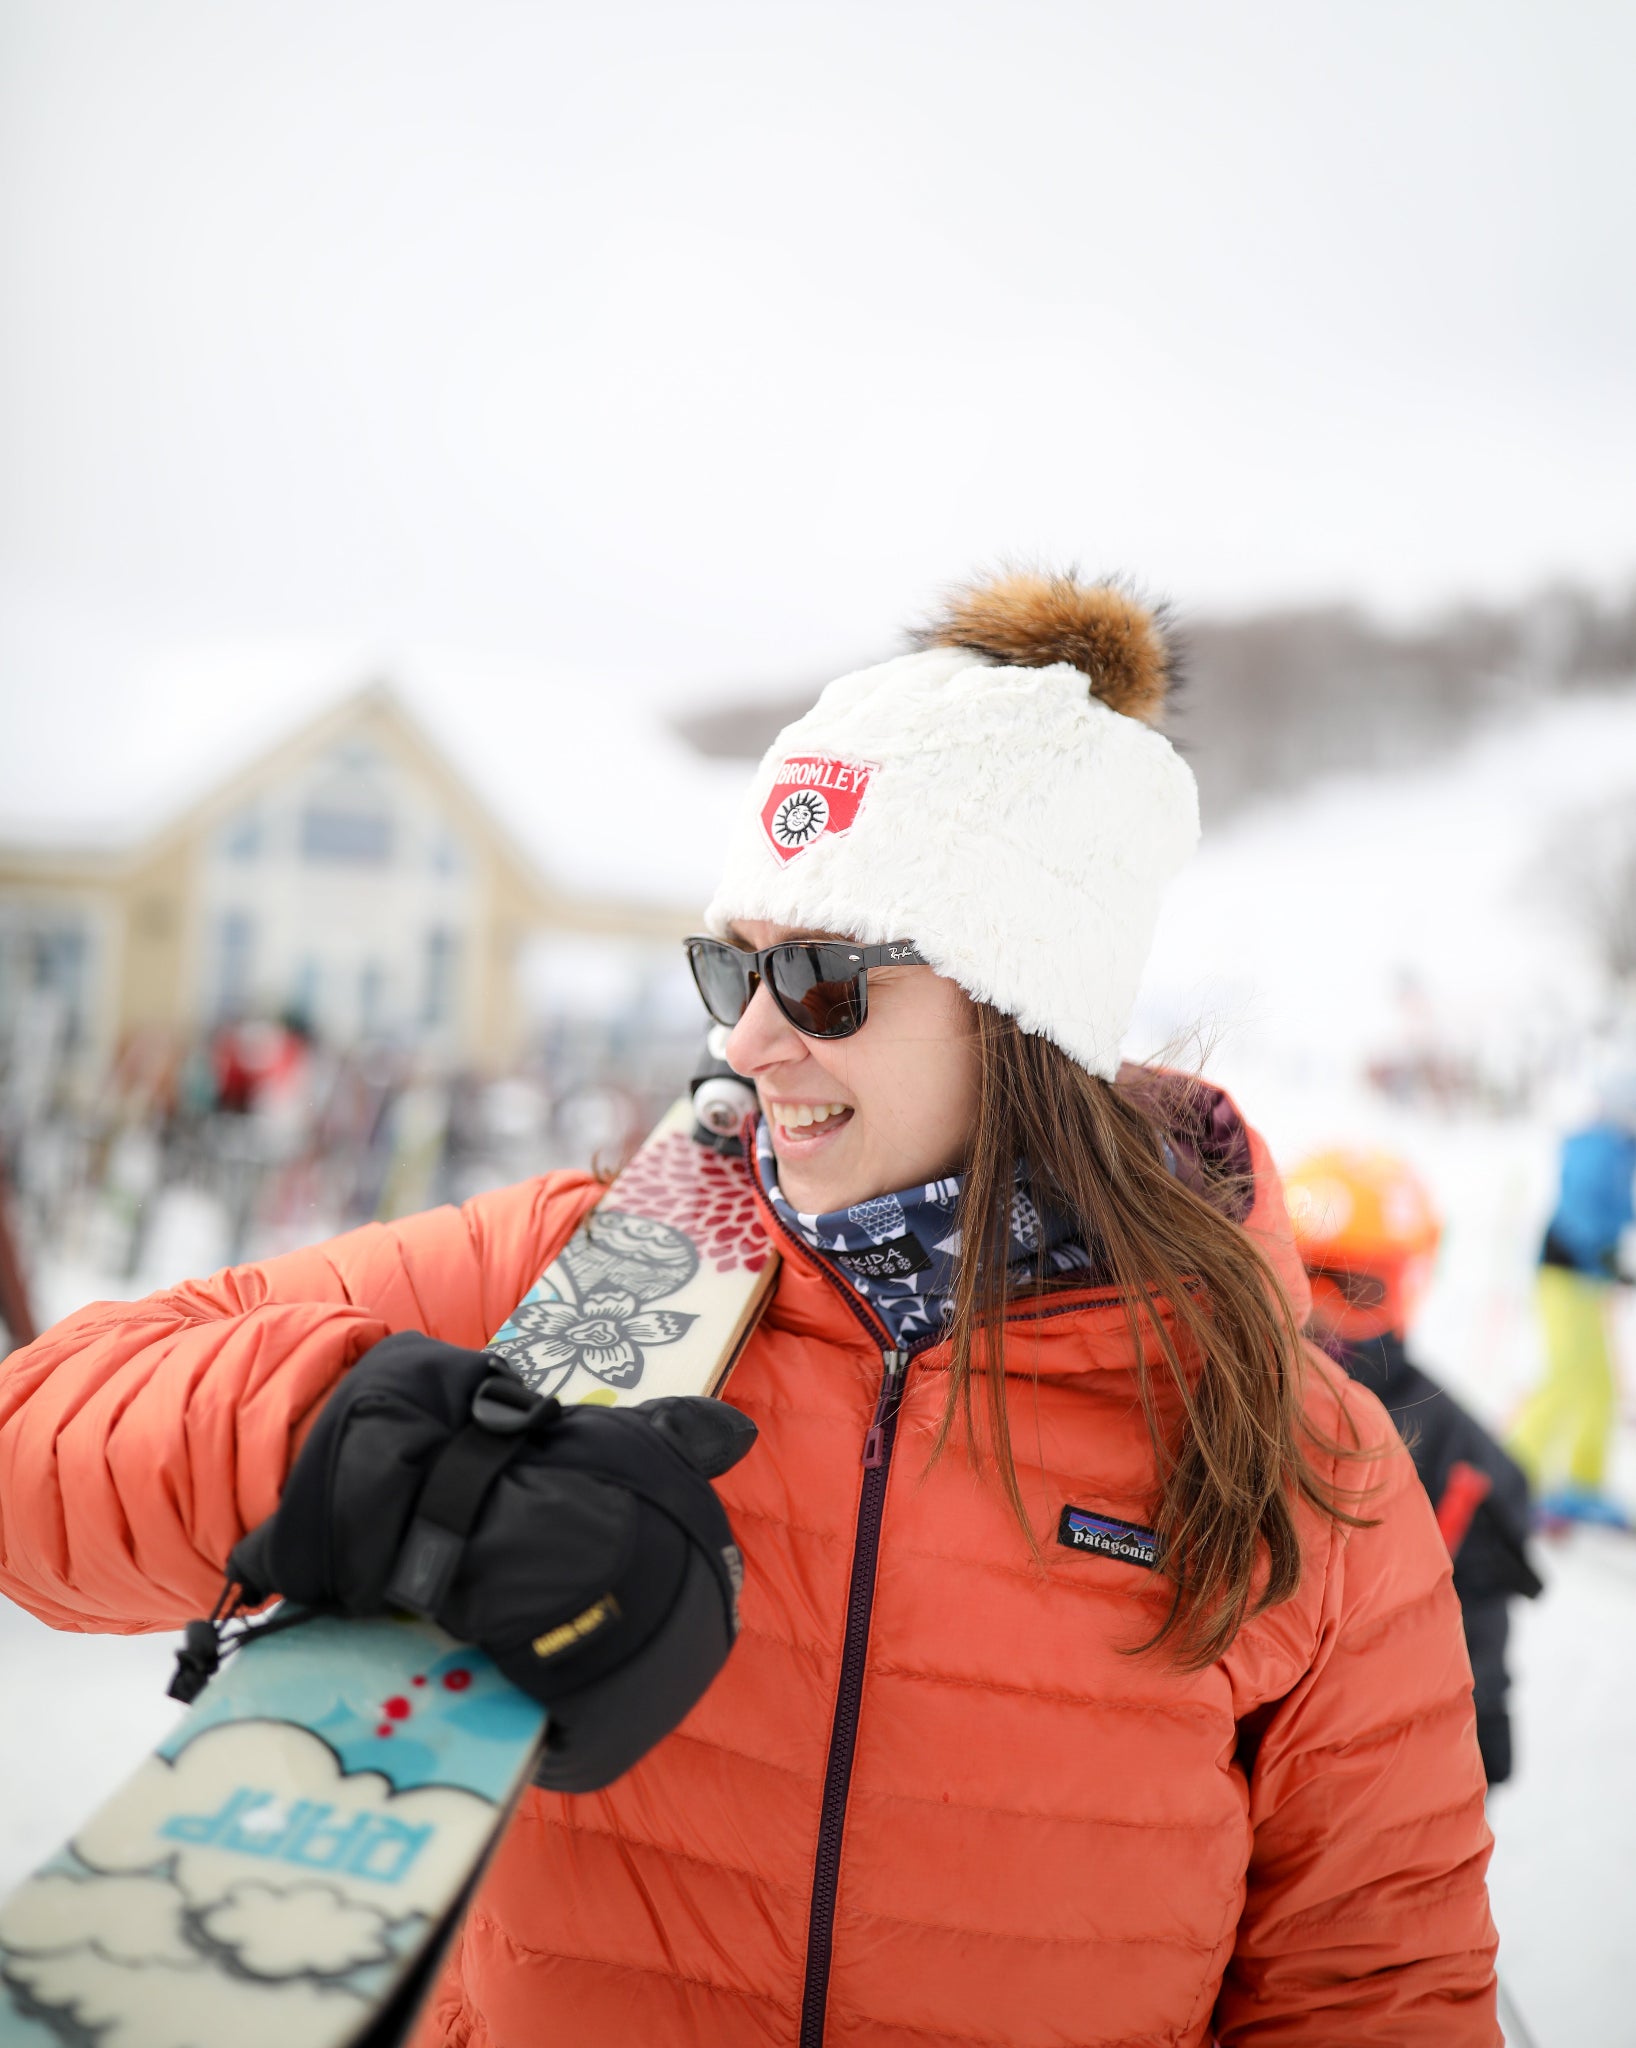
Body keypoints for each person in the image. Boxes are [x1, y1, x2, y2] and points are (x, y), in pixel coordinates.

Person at [0, 571, 1500, 2045]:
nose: (752, 1035)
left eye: (826, 973)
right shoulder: (595, 1278)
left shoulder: (1295, 1452)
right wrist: (343, 1450)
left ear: (1027, 1009)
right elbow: (40, 1433)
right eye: (735, 964)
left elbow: (1375, 1998)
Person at [1284, 1147, 1541, 1785]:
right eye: (1301, 1273)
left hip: (1366, 1768)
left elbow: (1469, 1632)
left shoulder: (1459, 1454)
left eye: (1356, 1286)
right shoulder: (1222, 1398)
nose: (1321, 1309)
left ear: (1407, 1286)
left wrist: (1472, 1733)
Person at [1507, 1078, 1636, 1524]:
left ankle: (1585, 1481)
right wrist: (1605, 1254)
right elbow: (1580, 1210)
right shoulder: (1600, 1145)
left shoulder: (1621, 1147)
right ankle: (1512, 1474)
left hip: (1588, 1277)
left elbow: (1619, 1209)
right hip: (1566, 1273)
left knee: (1597, 1383)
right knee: (1568, 1375)